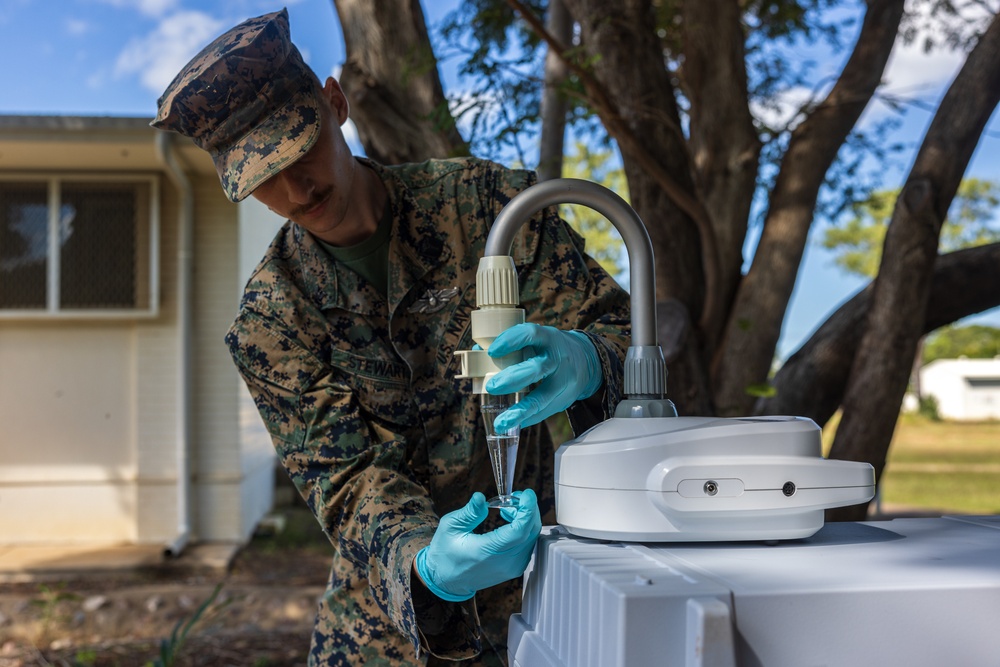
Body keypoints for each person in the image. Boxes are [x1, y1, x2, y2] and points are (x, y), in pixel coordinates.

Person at [151, 9, 631, 666]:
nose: (296, 188)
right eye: (264, 177)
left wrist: (589, 361)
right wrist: (427, 563)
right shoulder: (273, 318)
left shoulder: (489, 208)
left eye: (300, 147)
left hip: (546, 596)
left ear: (335, 101)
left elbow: (633, 346)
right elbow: (346, 481)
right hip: (387, 628)